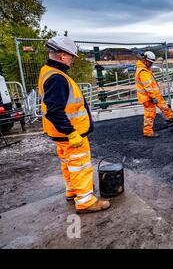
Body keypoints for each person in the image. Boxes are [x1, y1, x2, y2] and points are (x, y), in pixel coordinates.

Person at [38, 36, 110, 214]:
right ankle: (85, 201)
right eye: (71, 56)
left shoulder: (48, 71)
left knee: (68, 164)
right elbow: (54, 110)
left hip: (60, 134)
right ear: (62, 56)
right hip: (71, 134)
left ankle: (72, 191)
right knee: (81, 166)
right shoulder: (58, 78)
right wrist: (71, 132)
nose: (71, 60)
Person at [135, 51, 173, 137]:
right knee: (150, 114)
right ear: (145, 60)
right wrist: (153, 97)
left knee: (162, 104)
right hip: (148, 97)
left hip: (153, 95)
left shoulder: (145, 69)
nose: (151, 64)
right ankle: (148, 132)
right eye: (150, 62)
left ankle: (170, 116)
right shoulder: (143, 72)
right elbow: (148, 86)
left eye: (152, 62)